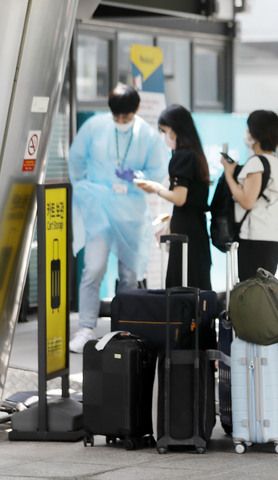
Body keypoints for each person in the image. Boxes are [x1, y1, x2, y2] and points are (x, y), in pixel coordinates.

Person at [68, 83, 167, 353]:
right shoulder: (95, 127)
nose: (121, 121)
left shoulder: (146, 134)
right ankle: (86, 327)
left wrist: (138, 178)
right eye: (117, 116)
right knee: (94, 268)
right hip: (100, 209)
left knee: (129, 274)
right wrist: (85, 189)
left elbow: (158, 170)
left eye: (126, 116)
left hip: (131, 212)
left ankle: (125, 328)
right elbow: (76, 160)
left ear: (135, 110)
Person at [134, 104, 211, 290]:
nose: (165, 137)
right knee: (196, 283)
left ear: (177, 130)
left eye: (166, 131)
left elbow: (179, 198)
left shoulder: (182, 156)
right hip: (197, 229)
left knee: (181, 284)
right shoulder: (195, 155)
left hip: (186, 231)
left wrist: (155, 188)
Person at [221, 110, 278, 281]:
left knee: (252, 293)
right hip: (271, 238)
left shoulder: (256, 162)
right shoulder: (274, 161)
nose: (246, 134)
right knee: (263, 293)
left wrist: (229, 175)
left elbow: (247, 201)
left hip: (254, 239)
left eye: (249, 130)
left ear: (257, 134)